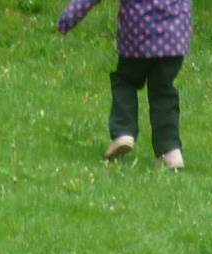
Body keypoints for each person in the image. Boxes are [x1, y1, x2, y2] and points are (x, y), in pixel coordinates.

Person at [58, 0, 193, 169]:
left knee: (125, 81)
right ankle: (170, 151)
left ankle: (124, 132)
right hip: (174, 36)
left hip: (138, 33)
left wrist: (67, 20)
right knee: (163, 91)